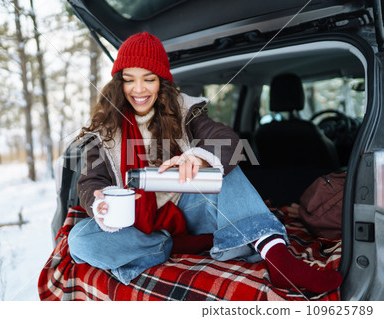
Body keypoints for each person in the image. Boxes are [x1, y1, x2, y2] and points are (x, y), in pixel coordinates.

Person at [68, 32, 342, 293]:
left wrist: (198, 157)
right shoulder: (103, 131)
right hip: (133, 221)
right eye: (130, 79)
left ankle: (280, 260)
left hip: (188, 206)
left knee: (225, 171)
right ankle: (166, 245)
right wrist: (98, 201)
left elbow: (226, 140)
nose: (138, 89)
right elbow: (92, 180)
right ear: (119, 82)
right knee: (79, 241)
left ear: (161, 81)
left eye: (148, 79)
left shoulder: (188, 110)